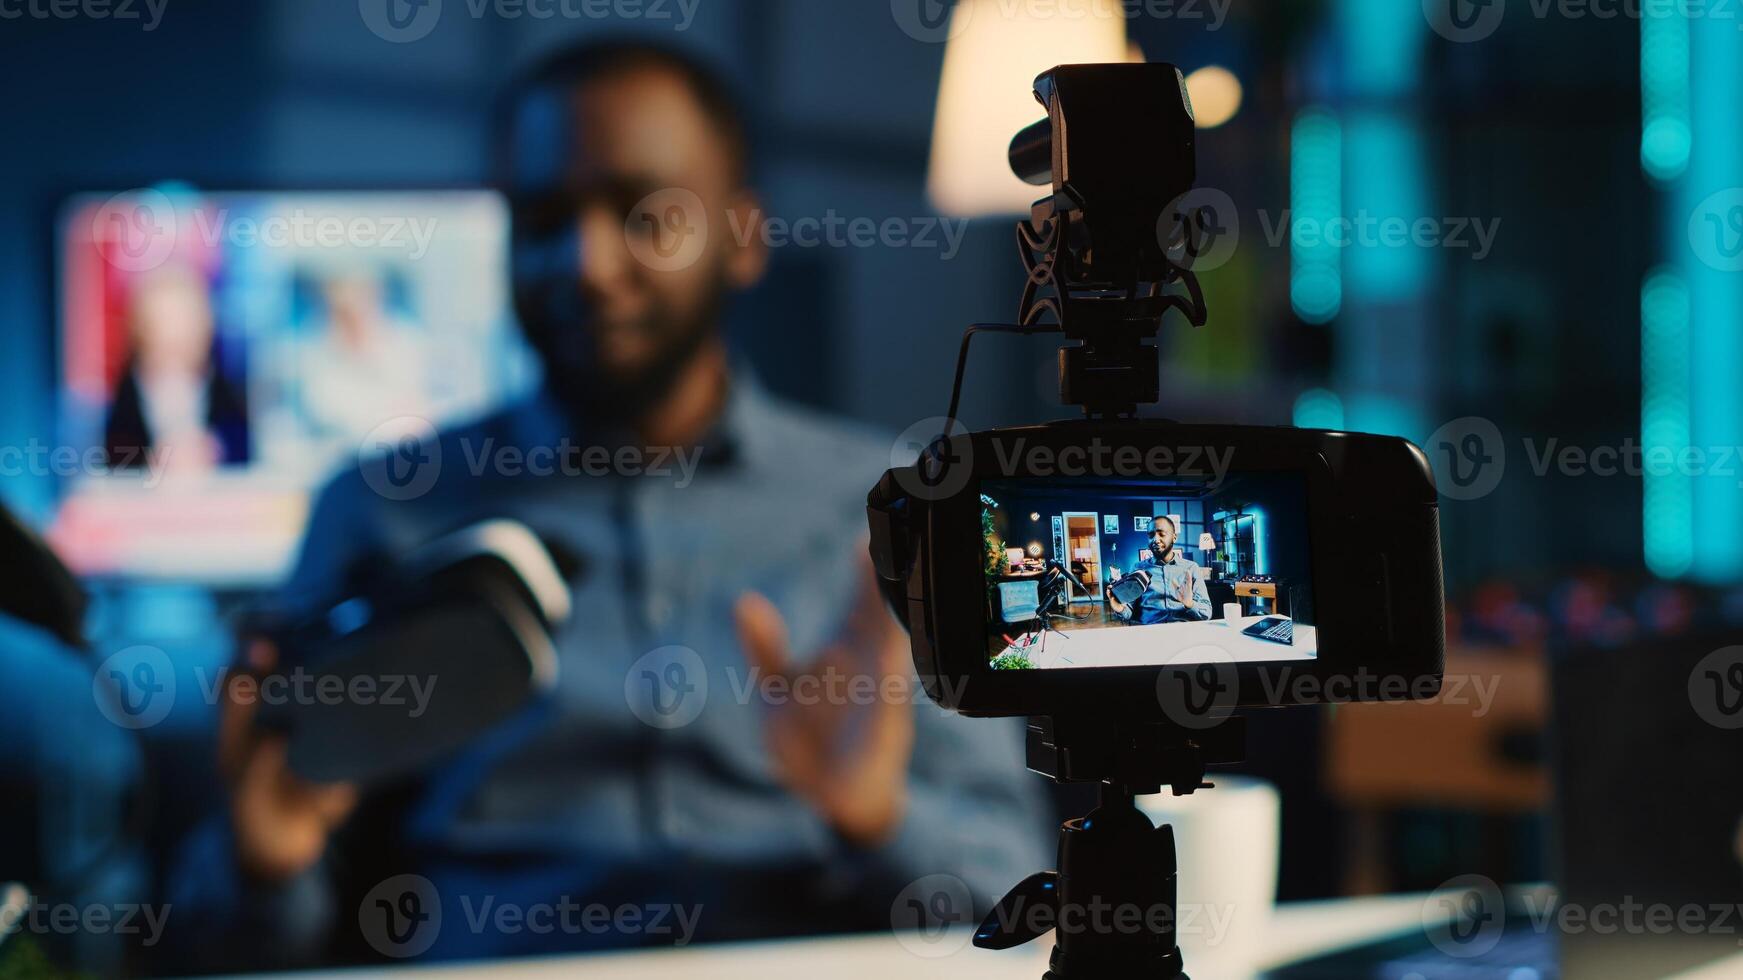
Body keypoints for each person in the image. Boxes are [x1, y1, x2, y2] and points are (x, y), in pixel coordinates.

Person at [167, 41, 1048, 970]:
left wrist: (876, 815)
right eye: (543, 218)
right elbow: (225, 942)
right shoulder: (378, 508)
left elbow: (1013, 893)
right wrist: (266, 859)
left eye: (645, 214)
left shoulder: (900, 505)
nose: (584, 261)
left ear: (743, 238)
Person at [1107, 518, 1212, 624]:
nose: (1155, 539)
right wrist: (1120, 608)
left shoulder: (1191, 568)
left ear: (1174, 537)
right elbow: (1129, 612)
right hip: (1150, 633)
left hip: (1183, 632)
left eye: (1162, 534)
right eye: (1151, 535)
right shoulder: (1137, 568)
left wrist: (1190, 604)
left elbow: (1206, 613)